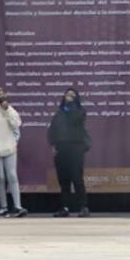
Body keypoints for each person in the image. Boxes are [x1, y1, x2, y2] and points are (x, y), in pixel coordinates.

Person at [48, 87, 90, 217]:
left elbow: (73, 120)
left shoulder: (80, 112)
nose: (69, 97)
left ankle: (83, 207)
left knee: (77, 179)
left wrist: (71, 105)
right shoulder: (59, 114)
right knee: (64, 181)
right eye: (67, 95)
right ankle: (65, 207)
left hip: (76, 149)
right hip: (61, 151)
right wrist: (53, 145)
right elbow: (52, 130)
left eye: (72, 95)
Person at [0, 87, 27, 217]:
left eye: (3, 95)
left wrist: (7, 111)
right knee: (0, 177)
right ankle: (3, 206)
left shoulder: (11, 110)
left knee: (12, 176)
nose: (2, 97)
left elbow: (16, 125)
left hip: (9, 148)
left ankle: (17, 206)